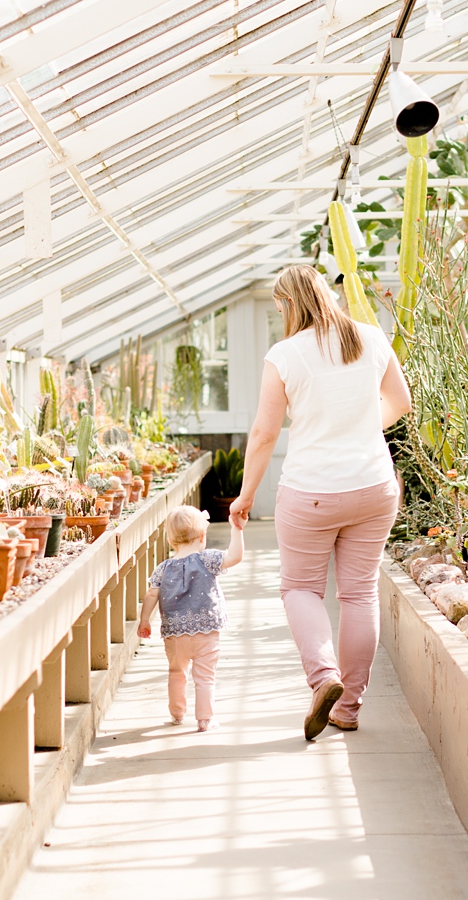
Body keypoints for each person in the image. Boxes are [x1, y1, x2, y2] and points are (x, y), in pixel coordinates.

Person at [231, 264, 413, 740]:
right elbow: (400, 401)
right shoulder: (371, 338)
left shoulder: (286, 354)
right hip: (374, 488)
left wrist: (246, 495)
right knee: (358, 593)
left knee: (301, 589)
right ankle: (348, 707)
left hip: (311, 492)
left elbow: (265, 432)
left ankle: (323, 677)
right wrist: (362, 430)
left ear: (288, 304)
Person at [137, 506, 243, 732]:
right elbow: (235, 556)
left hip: (175, 635)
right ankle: (204, 720)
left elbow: (151, 594)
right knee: (205, 677)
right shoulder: (208, 559)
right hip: (206, 632)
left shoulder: (163, 568)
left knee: (177, 673)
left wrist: (144, 620)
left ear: (171, 540)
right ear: (202, 536)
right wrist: (237, 530)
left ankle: (177, 714)